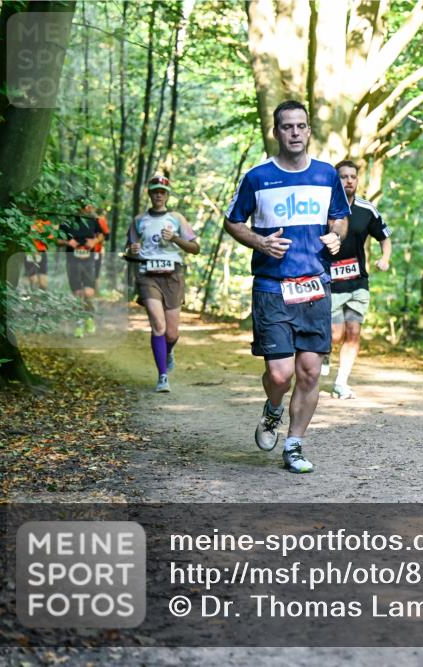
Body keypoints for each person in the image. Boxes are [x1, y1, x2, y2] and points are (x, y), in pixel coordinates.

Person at [224, 99, 349, 474]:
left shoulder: (327, 175)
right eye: (287, 127)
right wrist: (260, 242)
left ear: (309, 131)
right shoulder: (258, 177)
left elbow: (339, 220)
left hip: (315, 285)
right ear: (276, 132)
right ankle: (273, 408)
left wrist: (336, 238)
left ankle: (294, 444)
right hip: (272, 286)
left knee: (310, 372)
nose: (294, 133)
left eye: (300, 126)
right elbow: (233, 221)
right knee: (280, 374)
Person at [324, 160, 392, 399]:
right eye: (343, 176)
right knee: (334, 334)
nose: (349, 180)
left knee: (353, 331)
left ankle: (341, 382)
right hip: (329, 281)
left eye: (353, 176)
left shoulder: (367, 209)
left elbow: (384, 236)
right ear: (336, 180)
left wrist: (385, 258)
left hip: (357, 282)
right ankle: (323, 352)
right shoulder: (324, 206)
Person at [126, 174, 200, 392]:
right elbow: (129, 249)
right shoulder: (139, 221)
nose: (159, 195)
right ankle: (162, 376)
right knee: (158, 325)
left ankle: (167, 352)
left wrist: (175, 238)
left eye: (162, 192)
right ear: (150, 194)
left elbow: (196, 249)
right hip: (148, 276)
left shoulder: (177, 218)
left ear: (167, 195)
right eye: (155, 191)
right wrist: (132, 250)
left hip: (173, 276)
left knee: (172, 334)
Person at [59, 207, 104, 338]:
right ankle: (79, 324)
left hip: (88, 261)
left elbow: (101, 235)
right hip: (72, 261)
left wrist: (94, 241)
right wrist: (68, 242)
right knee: (77, 294)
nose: (84, 208)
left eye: (85, 205)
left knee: (88, 293)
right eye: (80, 205)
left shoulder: (92, 219)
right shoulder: (67, 220)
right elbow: (57, 239)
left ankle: (89, 319)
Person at [24, 218, 54, 290]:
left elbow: (50, 239)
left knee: (43, 284)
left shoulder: (46, 222)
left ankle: (42, 298)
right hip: (30, 252)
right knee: (34, 281)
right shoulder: (27, 219)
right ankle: (32, 297)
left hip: (41, 252)